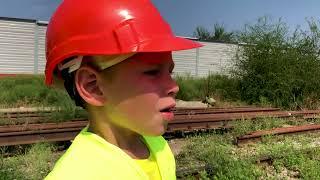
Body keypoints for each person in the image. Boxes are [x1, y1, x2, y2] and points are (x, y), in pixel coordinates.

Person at [44, 0, 202, 179]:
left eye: (170, 72)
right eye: (152, 72)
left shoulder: (157, 144)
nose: (174, 87)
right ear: (93, 87)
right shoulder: (76, 174)